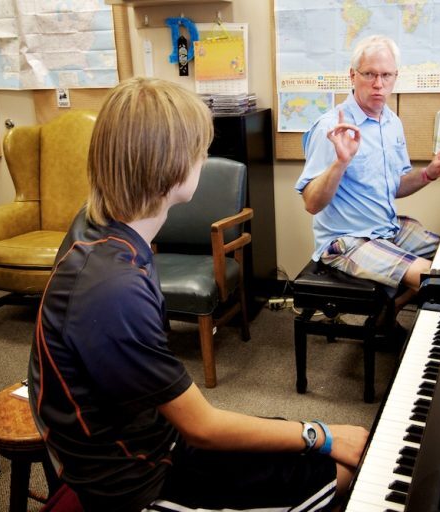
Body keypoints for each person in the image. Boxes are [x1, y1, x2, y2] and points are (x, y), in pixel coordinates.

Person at [28, 77, 368, 512]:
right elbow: (202, 427)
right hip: (138, 482)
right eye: (199, 149)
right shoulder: (115, 289)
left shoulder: (107, 235)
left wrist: (308, 434)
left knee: (294, 442)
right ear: (169, 164)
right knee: (339, 470)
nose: (204, 159)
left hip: (154, 436)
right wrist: (321, 432)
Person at [295, 35, 440, 308]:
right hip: (347, 240)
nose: (378, 84)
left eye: (386, 75)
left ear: (396, 76)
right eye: (369, 74)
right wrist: (340, 163)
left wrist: (430, 173)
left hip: (387, 227)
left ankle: (389, 312)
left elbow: (395, 186)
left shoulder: (391, 123)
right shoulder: (331, 127)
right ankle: (397, 320)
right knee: (438, 279)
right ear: (352, 75)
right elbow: (311, 204)